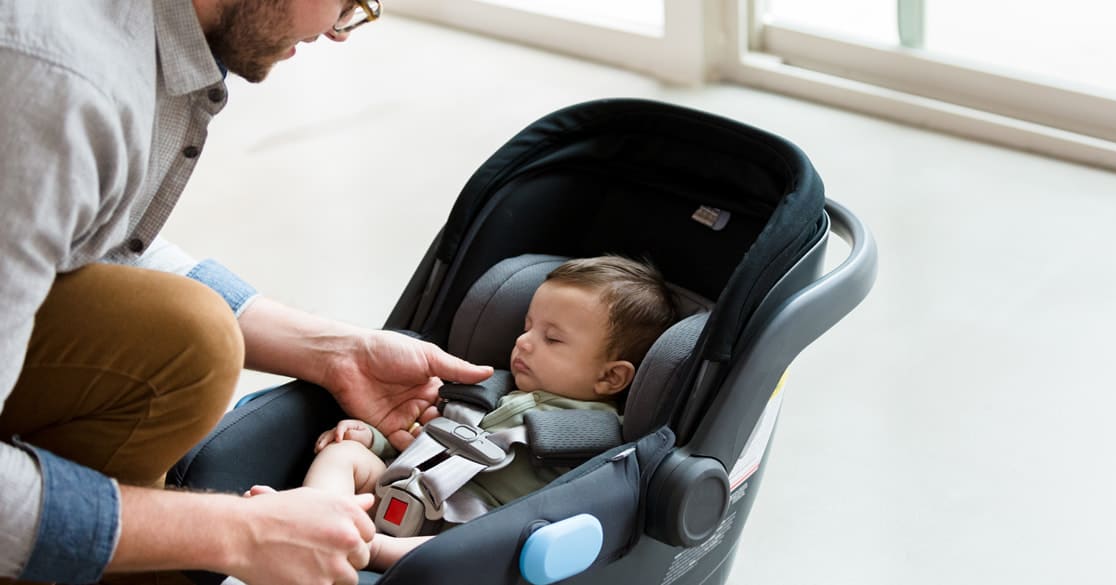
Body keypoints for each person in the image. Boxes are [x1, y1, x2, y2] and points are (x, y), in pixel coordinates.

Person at [0, 1, 494, 584]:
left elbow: (94, 239)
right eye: (344, 3)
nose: (340, 31)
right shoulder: (56, 86)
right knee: (191, 341)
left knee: (187, 336)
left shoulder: (130, 41)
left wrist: (336, 352)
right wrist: (236, 532)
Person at [297, 256, 679, 570]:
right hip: (408, 484)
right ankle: (317, 518)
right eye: (527, 326)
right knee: (344, 455)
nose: (523, 342)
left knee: (459, 549)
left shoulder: (594, 436)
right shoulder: (487, 390)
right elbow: (417, 440)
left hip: (470, 529)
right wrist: (372, 440)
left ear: (610, 377)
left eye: (552, 338)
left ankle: (369, 550)